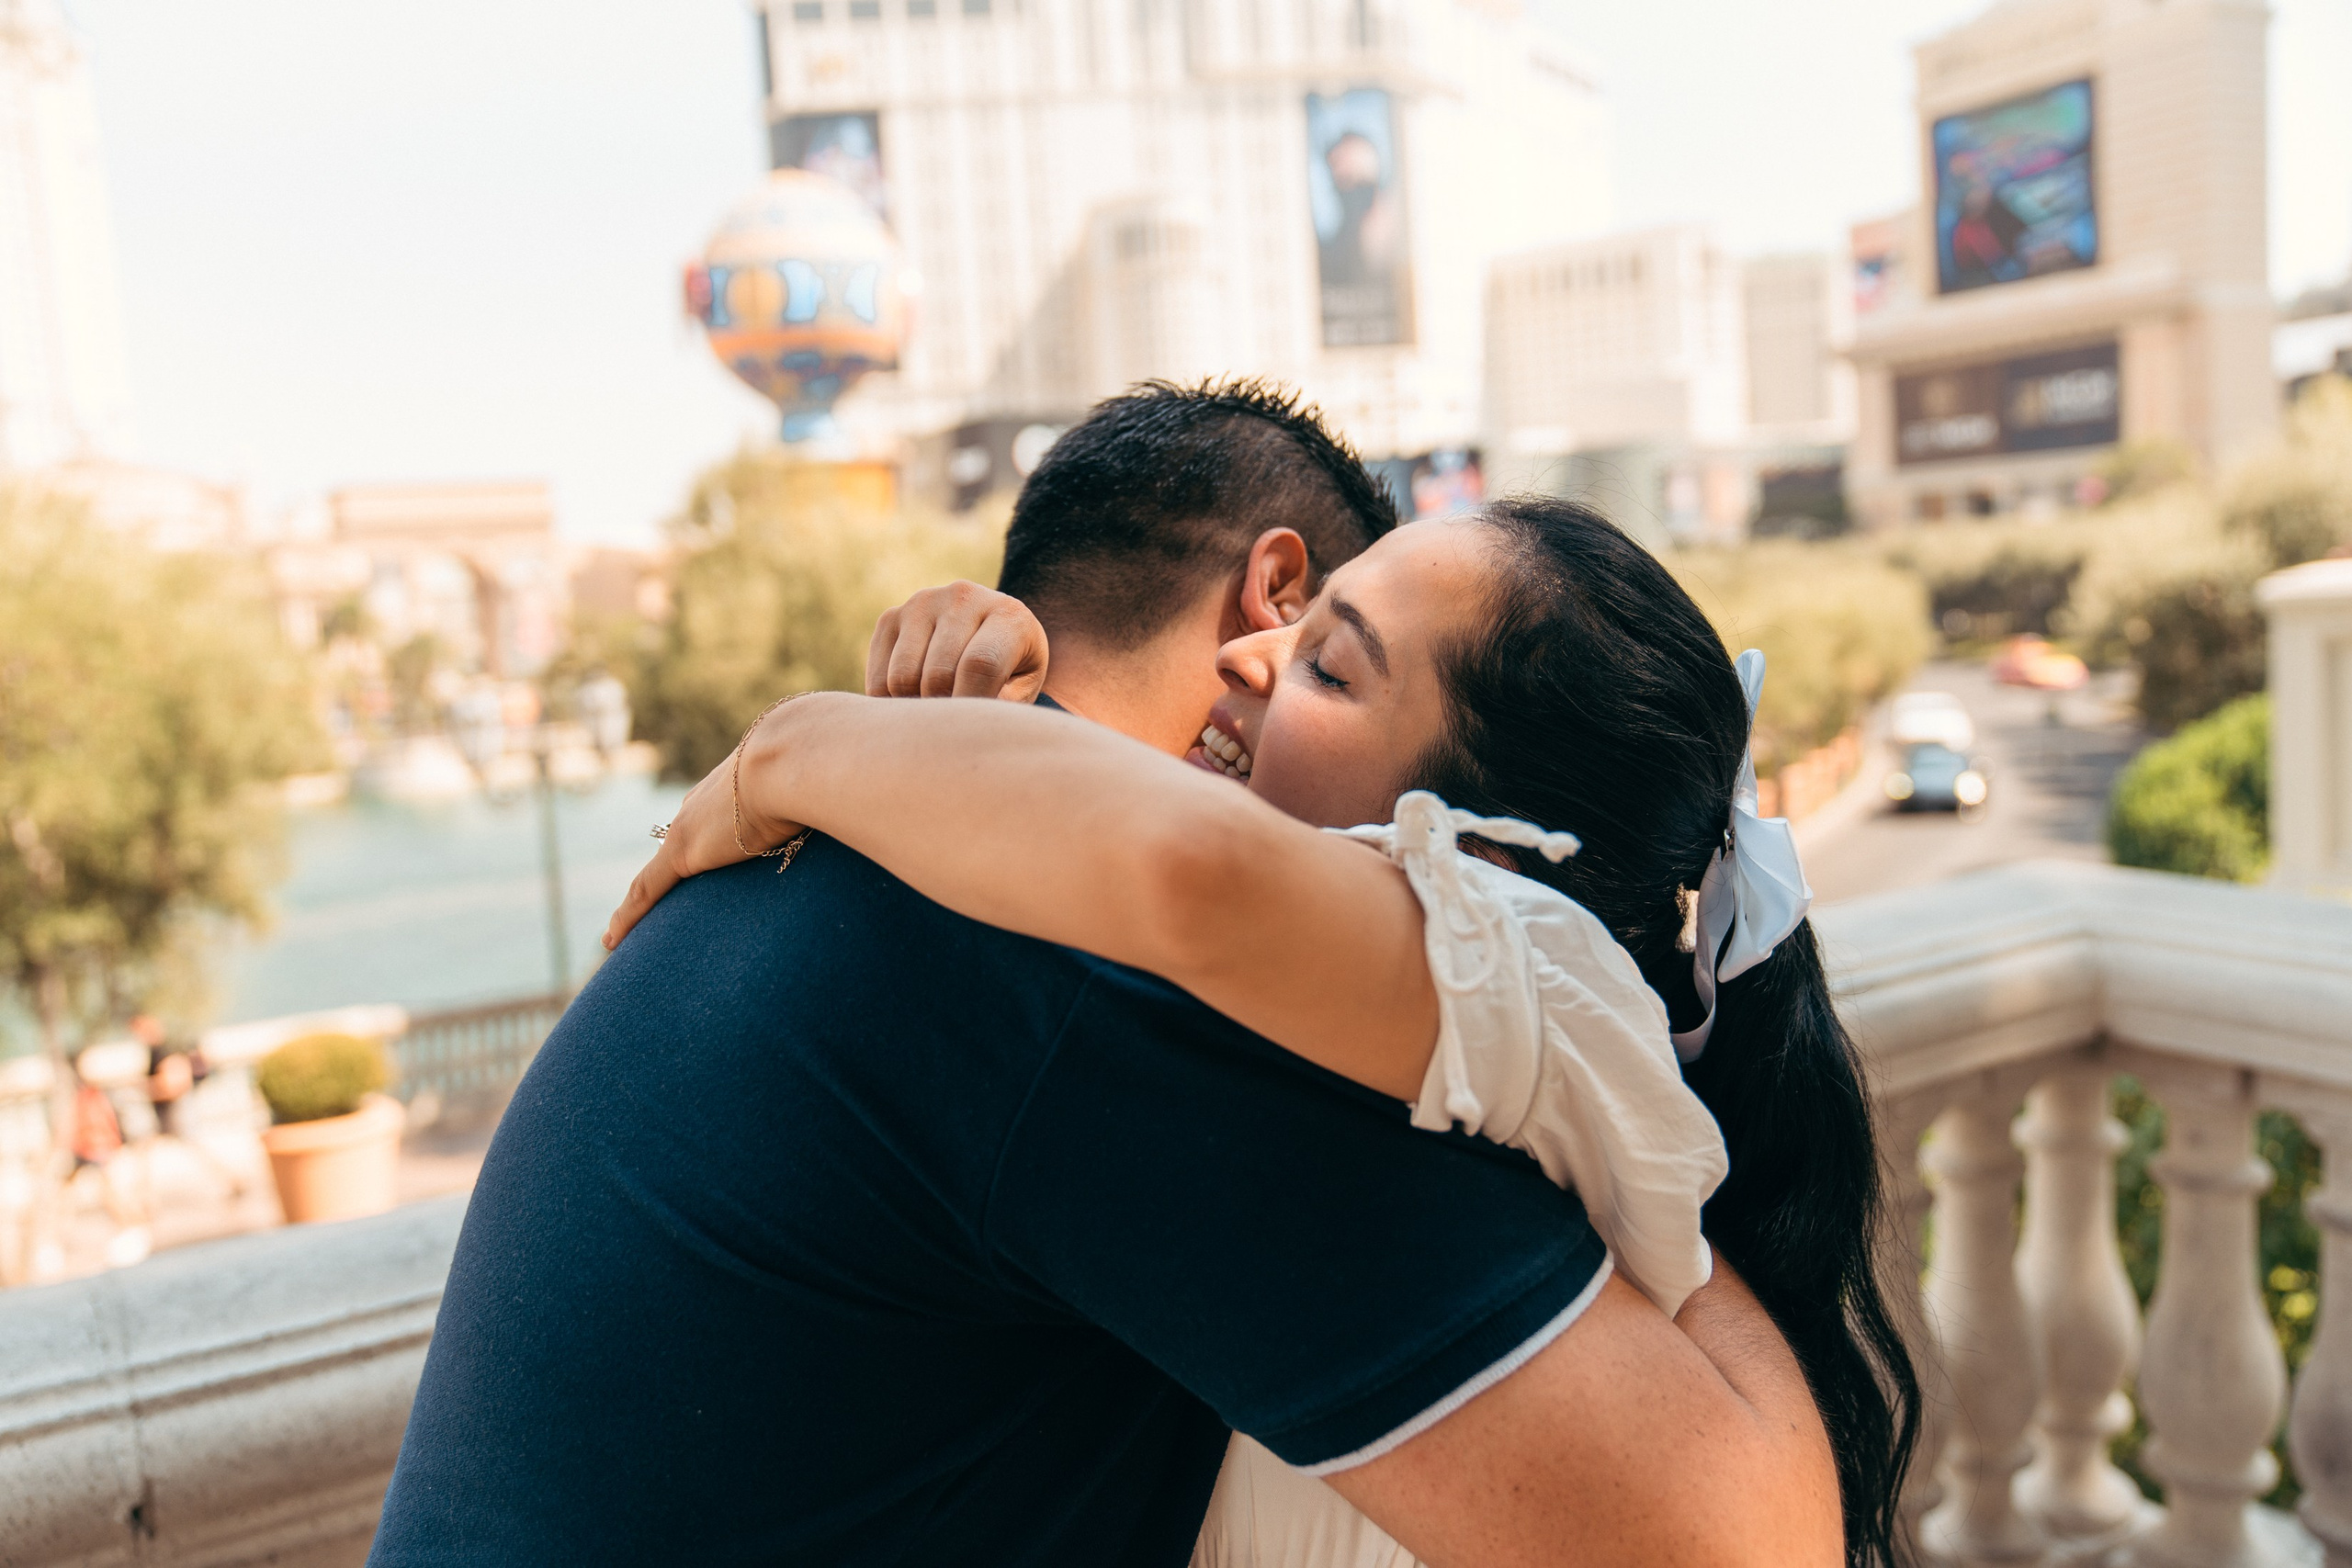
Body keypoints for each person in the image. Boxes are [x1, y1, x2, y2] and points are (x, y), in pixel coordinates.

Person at [370, 385, 1840, 1568]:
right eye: (1306, 649)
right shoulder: (1088, 984)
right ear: (1267, 591)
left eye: (1339, 671)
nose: (1274, 681)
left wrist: (808, 741)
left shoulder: (890, 861)